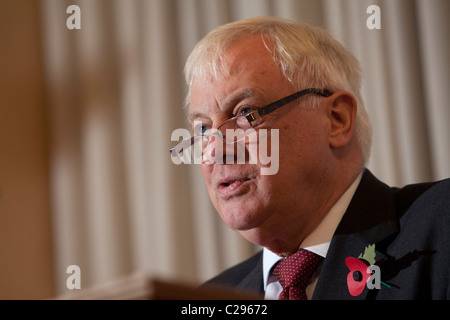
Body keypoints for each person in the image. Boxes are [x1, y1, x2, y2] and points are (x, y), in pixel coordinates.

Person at [170, 17, 450, 300]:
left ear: (336, 119)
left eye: (247, 114)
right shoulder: (211, 298)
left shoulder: (442, 225)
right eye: (202, 129)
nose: (215, 149)